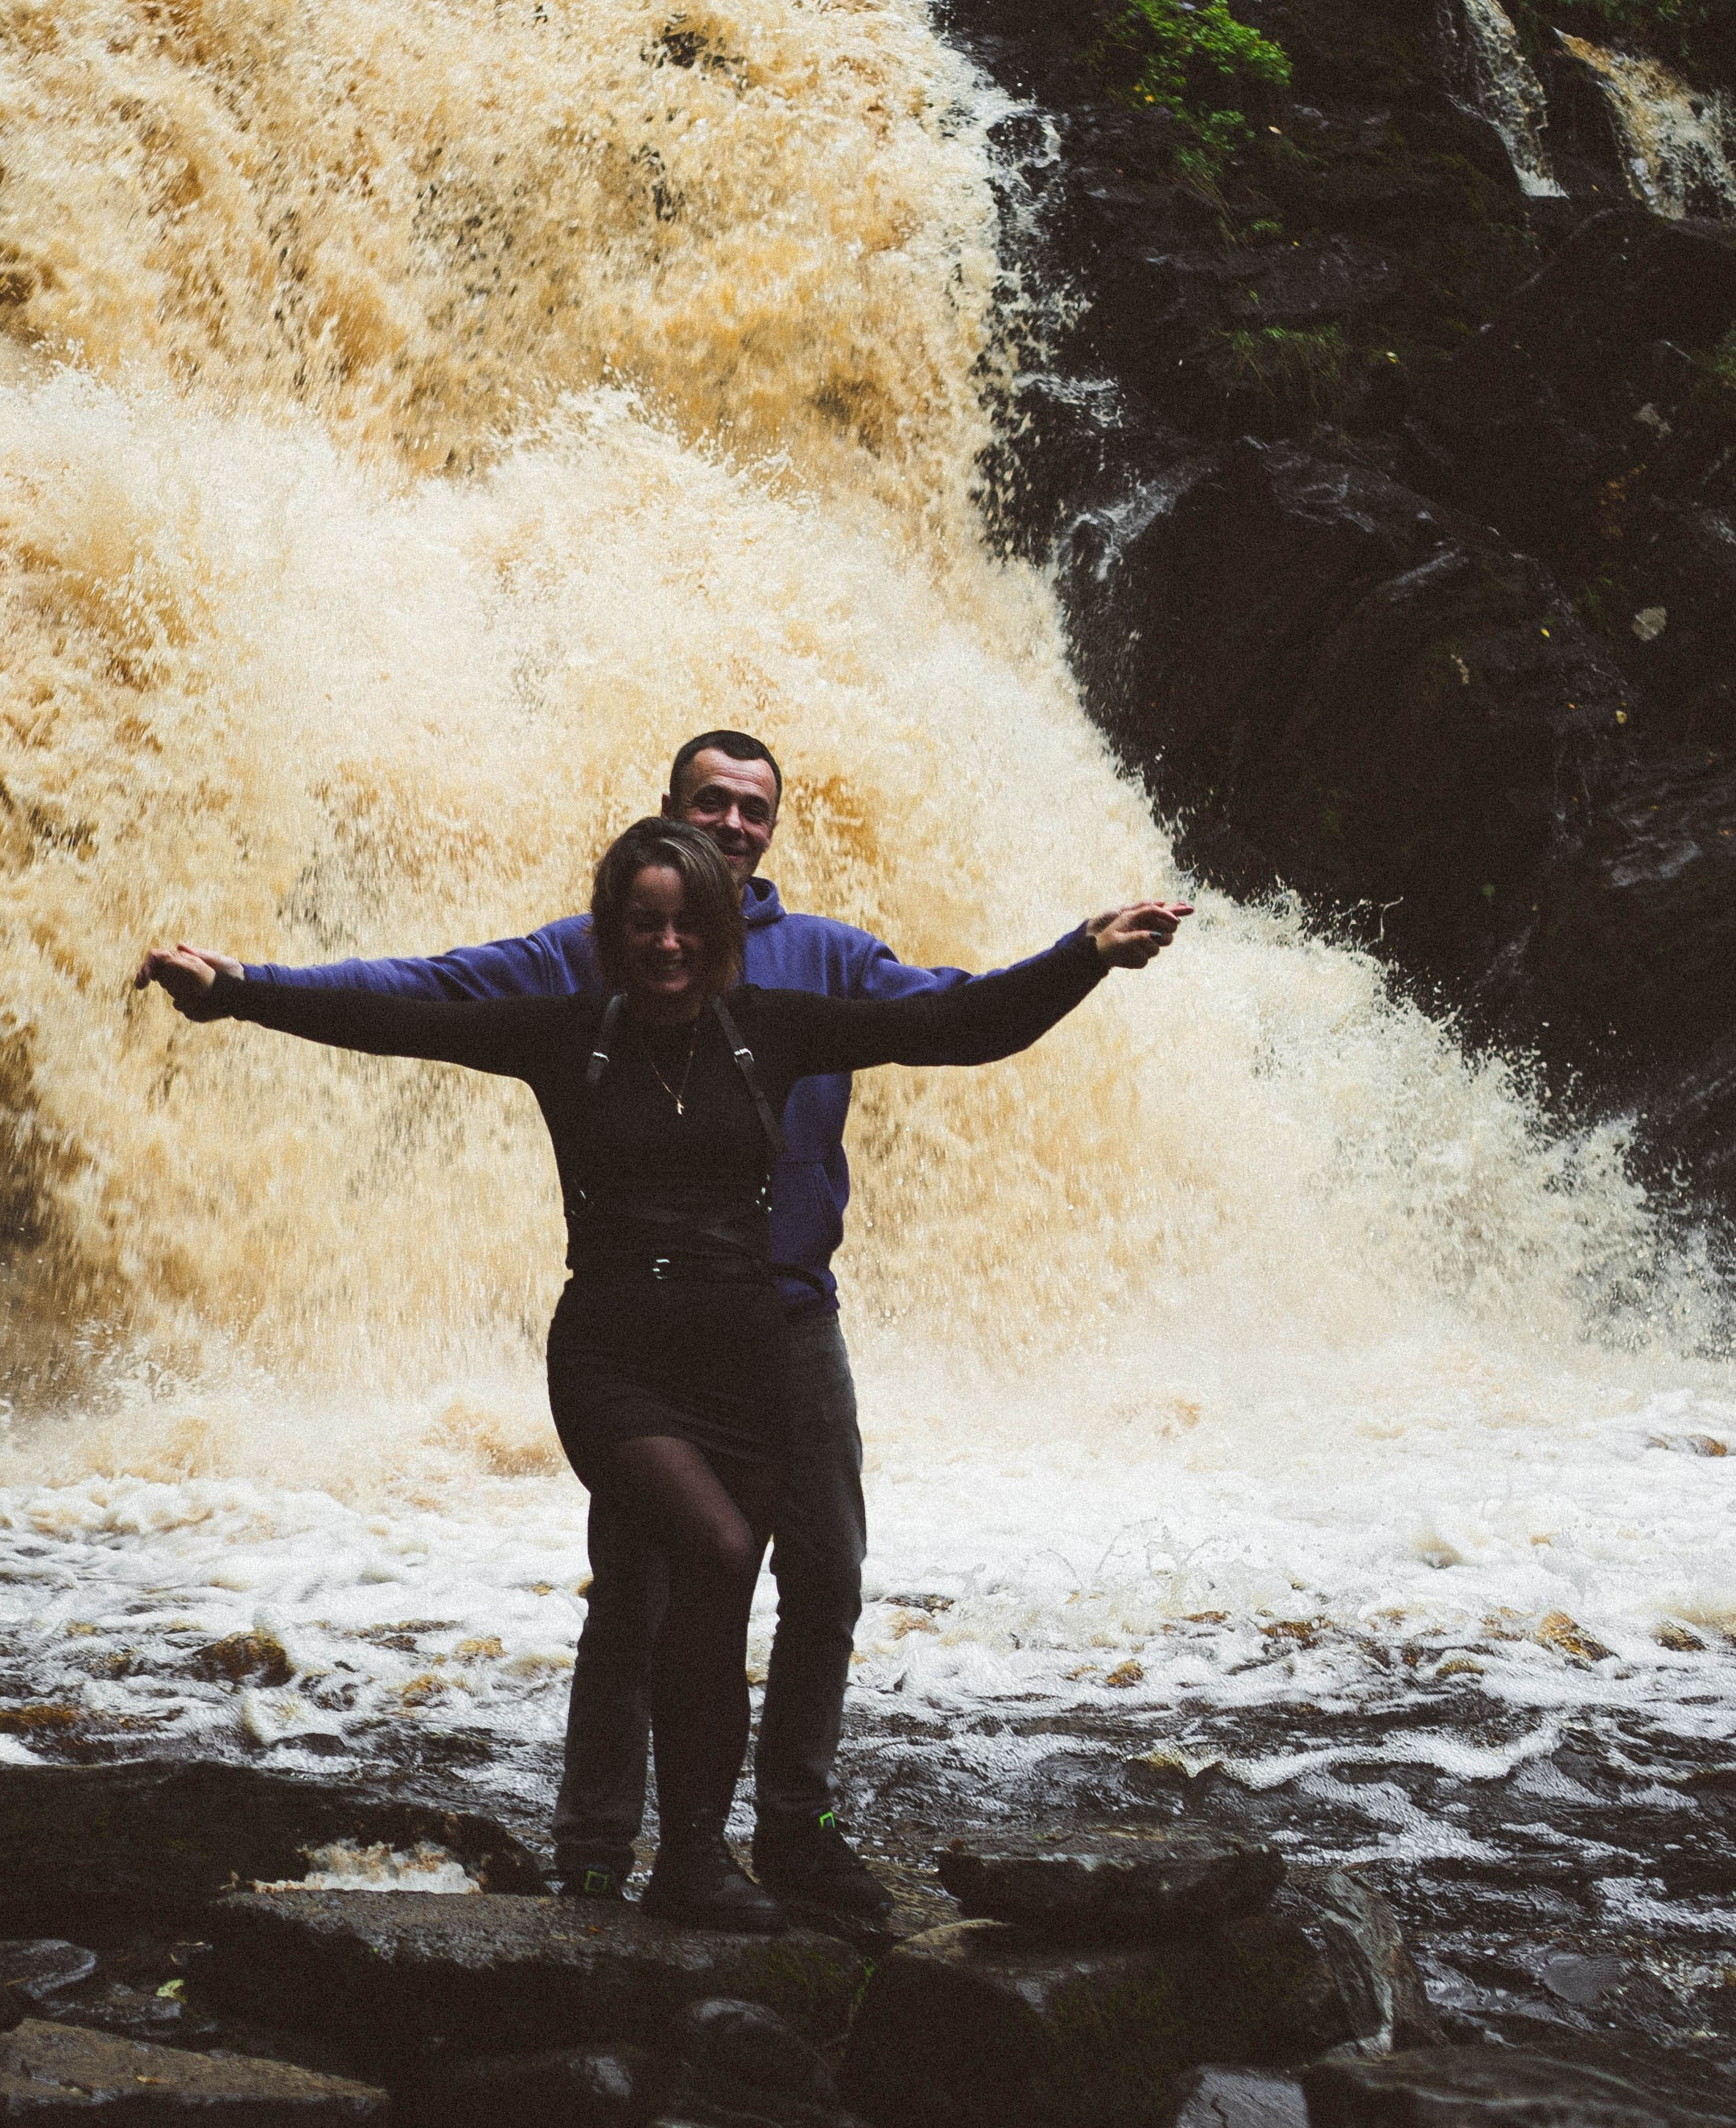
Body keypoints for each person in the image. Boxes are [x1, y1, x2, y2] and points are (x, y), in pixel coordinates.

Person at [138, 816, 1190, 1929]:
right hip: (615, 1359)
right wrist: (239, 989)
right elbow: (396, 1017)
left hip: (747, 1361)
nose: (668, 944)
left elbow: (953, 1025)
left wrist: (1084, 953)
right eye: (644, 924)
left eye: (688, 923)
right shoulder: (562, 1035)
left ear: (723, 931)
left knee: (715, 1601)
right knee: (718, 1547)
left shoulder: (772, 1031)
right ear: (611, 932)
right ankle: (635, 1849)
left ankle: (693, 1860)